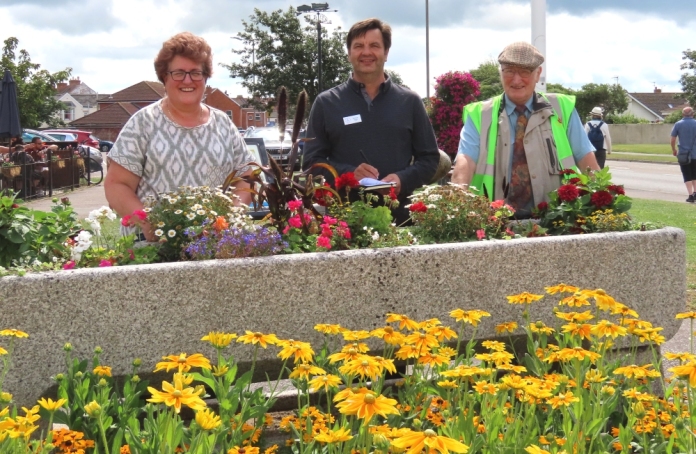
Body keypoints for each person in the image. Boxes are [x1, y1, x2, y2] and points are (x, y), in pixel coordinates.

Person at [104, 32, 254, 240]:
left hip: (212, 246)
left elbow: (247, 178)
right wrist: (149, 225)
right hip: (153, 250)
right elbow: (116, 185)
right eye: (179, 73)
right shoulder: (143, 123)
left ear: (205, 77)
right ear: (164, 76)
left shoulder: (223, 124)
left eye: (195, 73)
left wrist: (229, 218)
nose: (187, 80)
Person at [302, 18, 439, 224]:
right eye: (358, 46)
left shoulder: (409, 101)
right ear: (349, 54)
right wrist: (349, 175)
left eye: (374, 46)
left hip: (400, 222)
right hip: (344, 224)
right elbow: (311, 164)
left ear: (386, 53)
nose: (366, 52)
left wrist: (402, 179)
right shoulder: (326, 103)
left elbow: (429, 159)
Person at [452, 41, 600, 219]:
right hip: (495, 222)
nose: (516, 79)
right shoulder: (479, 114)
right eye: (509, 71)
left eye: (525, 71)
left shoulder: (561, 108)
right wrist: (457, 201)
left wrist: (603, 199)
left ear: (538, 74)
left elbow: (585, 158)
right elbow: (465, 159)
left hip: (555, 221)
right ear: (501, 73)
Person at [670, 107, 696, 202]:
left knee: (686, 174)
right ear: (693, 114)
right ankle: (695, 192)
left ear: (682, 114)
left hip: (683, 154)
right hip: (695, 154)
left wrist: (674, 149)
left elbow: (673, 139)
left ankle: (690, 195)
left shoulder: (678, 124)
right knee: (694, 173)